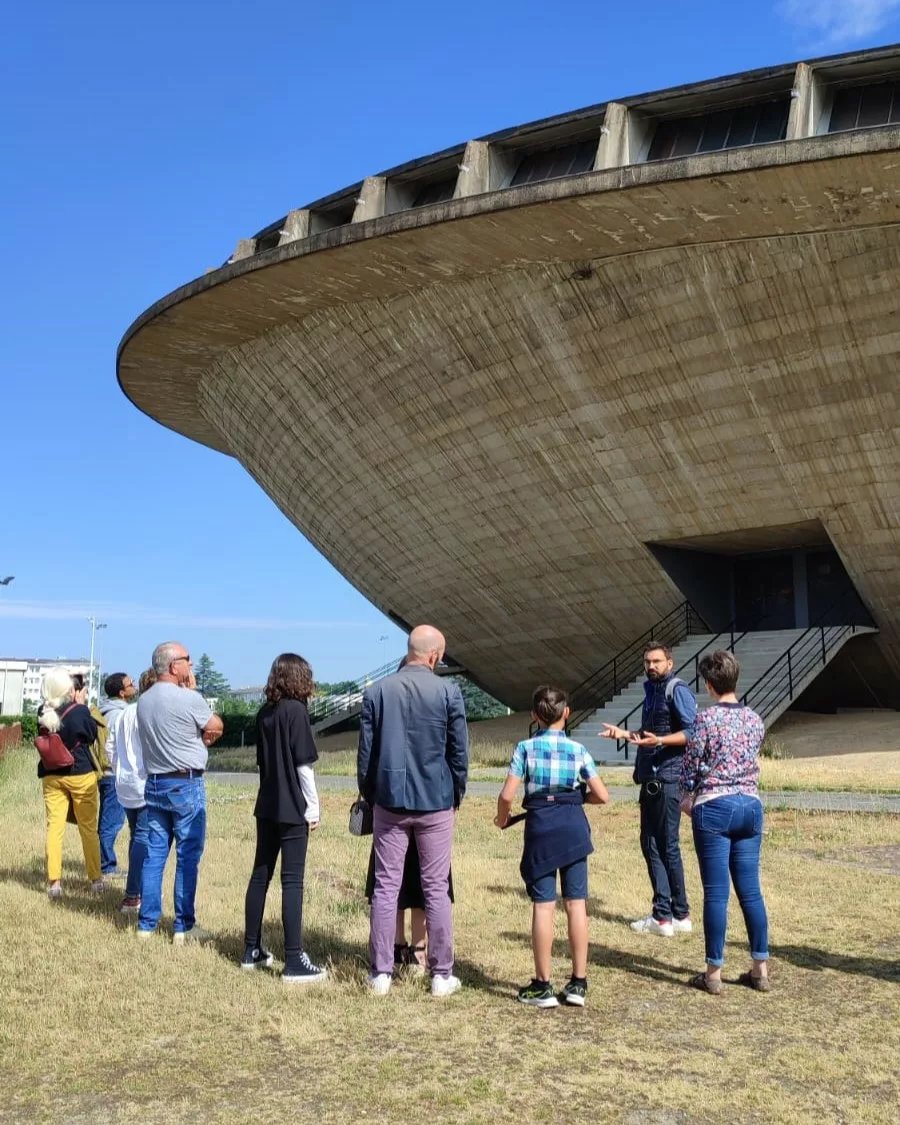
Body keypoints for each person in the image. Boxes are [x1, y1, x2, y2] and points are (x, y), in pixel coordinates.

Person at [633, 650, 770, 994]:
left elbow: (690, 768)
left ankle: (713, 972)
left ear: (708, 685)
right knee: (751, 892)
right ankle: (760, 967)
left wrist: (686, 800)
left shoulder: (706, 721)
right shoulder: (755, 719)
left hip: (715, 805)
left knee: (716, 893)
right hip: (750, 804)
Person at [357, 624, 469, 997]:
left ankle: (381, 973)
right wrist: (457, 793)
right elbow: (459, 752)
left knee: (386, 887)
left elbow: (365, 754)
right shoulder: (448, 691)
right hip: (436, 800)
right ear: (435, 655)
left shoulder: (377, 691)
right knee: (435, 887)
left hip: (389, 800)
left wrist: (369, 794)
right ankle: (440, 973)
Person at [495, 686, 610, 1007]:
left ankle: (543, 985)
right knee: (576, 904)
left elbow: (507, 795)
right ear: (567, 713)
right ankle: (578, 983)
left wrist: (502, 818)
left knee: (544, 905)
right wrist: (577, 799)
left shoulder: (525, 749)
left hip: (541, 828)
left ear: (534, 715)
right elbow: (602, 795)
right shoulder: (578, 750)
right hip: (573, 826)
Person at [601, 641, 697, 937]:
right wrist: (625, 735)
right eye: (647, 662)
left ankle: (662, 916)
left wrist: (658, 742)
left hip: (667, 779)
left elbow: (693, 732)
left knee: (657, 844)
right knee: (663, 844)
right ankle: (679, 914)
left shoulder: (676, 689)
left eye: (657, 661)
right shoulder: (652, 691)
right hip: (653, 778)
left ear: (670, 662)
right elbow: (650, 736)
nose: (651, 666)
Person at [242, 653, 327, 983]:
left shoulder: (265, 712)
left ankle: (251, 949)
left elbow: (265, 762)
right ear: (300, 678)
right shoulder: (296, 712)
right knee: (292, 880)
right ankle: (294, 959)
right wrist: (313, 807)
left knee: (260, 875)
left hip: (267, 803)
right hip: (293, 806)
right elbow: (303, 764)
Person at [136, 641, 224, 943]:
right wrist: (192, 693)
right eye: (187, 660)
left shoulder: (144, 701)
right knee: (187, 855)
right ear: (174, 666)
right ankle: (183, 925)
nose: (191, 665)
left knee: (155, 854)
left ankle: (146, 923)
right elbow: (216, 725)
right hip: (185, 783)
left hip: (155, 783)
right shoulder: (189, 698)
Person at [37, 668, 103, 898]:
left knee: (54, 828)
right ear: (69, 688)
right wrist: (81, 702)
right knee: (88, 828)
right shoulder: (80, 711)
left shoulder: (42, 712)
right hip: (80, 773)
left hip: (51, 774)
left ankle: (54, 882)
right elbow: (92, 735)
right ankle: (95, 879)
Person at [106, 669, 156, 913]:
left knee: (136, 835)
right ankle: (133, 894)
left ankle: (136, 891)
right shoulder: (148, 713)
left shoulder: (125, 713)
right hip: (143, 782)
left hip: (124, 783)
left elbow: (110, 747)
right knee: (143, 839)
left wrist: (118, 769)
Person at [97, 673, 135, 878]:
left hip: (104, 772)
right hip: (113, 772)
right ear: (122, 692)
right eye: (131, 684)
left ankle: (102, 862)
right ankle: (106, 865)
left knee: (107, 819)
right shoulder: (119, 714)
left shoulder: (104, 711)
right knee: (111, 821)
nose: (134, 685)